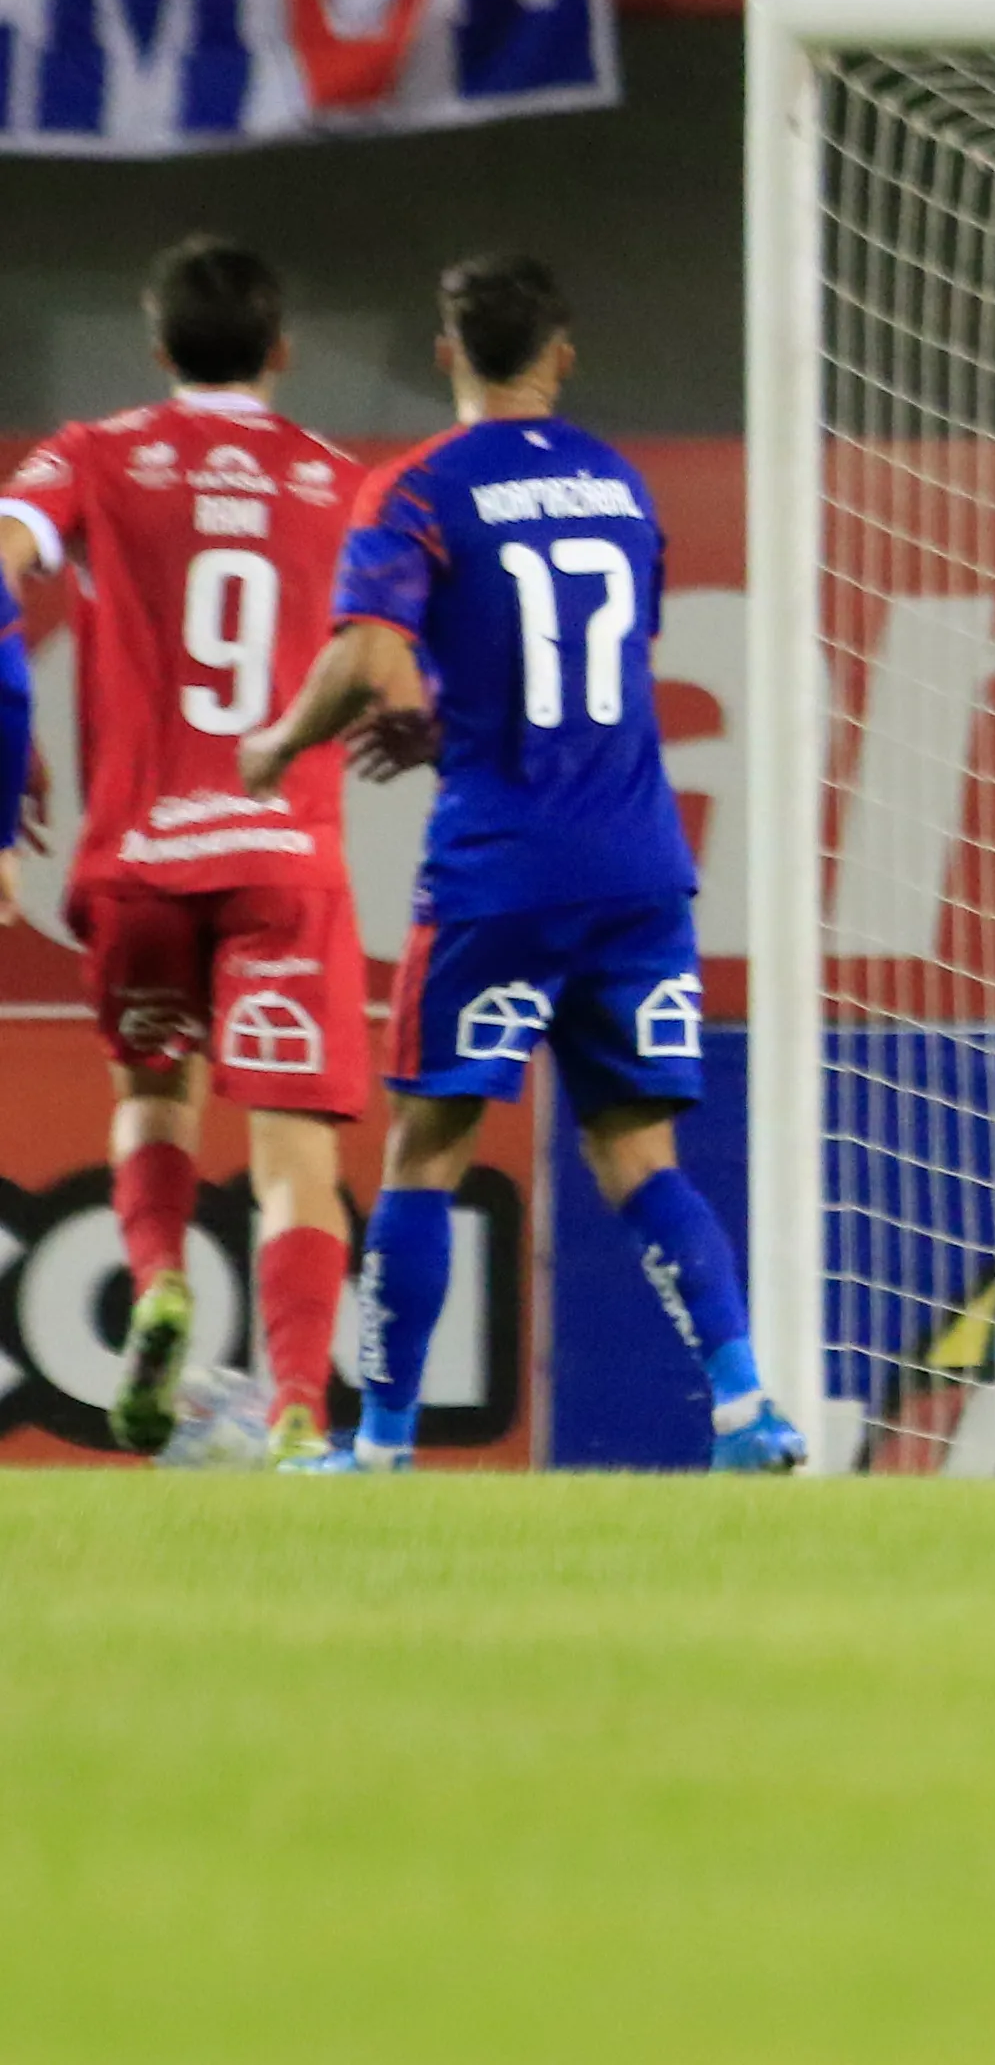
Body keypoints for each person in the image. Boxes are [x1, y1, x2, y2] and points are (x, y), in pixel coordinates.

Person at [242, 256, 800, 1473]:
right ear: (564, 350)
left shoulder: (420, 490)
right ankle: (746, 1405)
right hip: (639, 865)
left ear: (448, 352)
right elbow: (591, 671)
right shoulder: (616, 482)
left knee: (424, 1151)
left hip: (499, 872)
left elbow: (364, 648)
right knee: (641, 1154)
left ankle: (382, 1444)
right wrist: (463, 712)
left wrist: (279, 742)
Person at [0, 240, 374, 1468]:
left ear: (156, 349)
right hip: (282, 859)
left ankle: (159, 1281)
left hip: (142, 856)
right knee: (292, 1152)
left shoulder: (91, 455)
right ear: (281, 350)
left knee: (154, 1096)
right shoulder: (337, 478)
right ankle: (299, 1403)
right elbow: (385, 655)